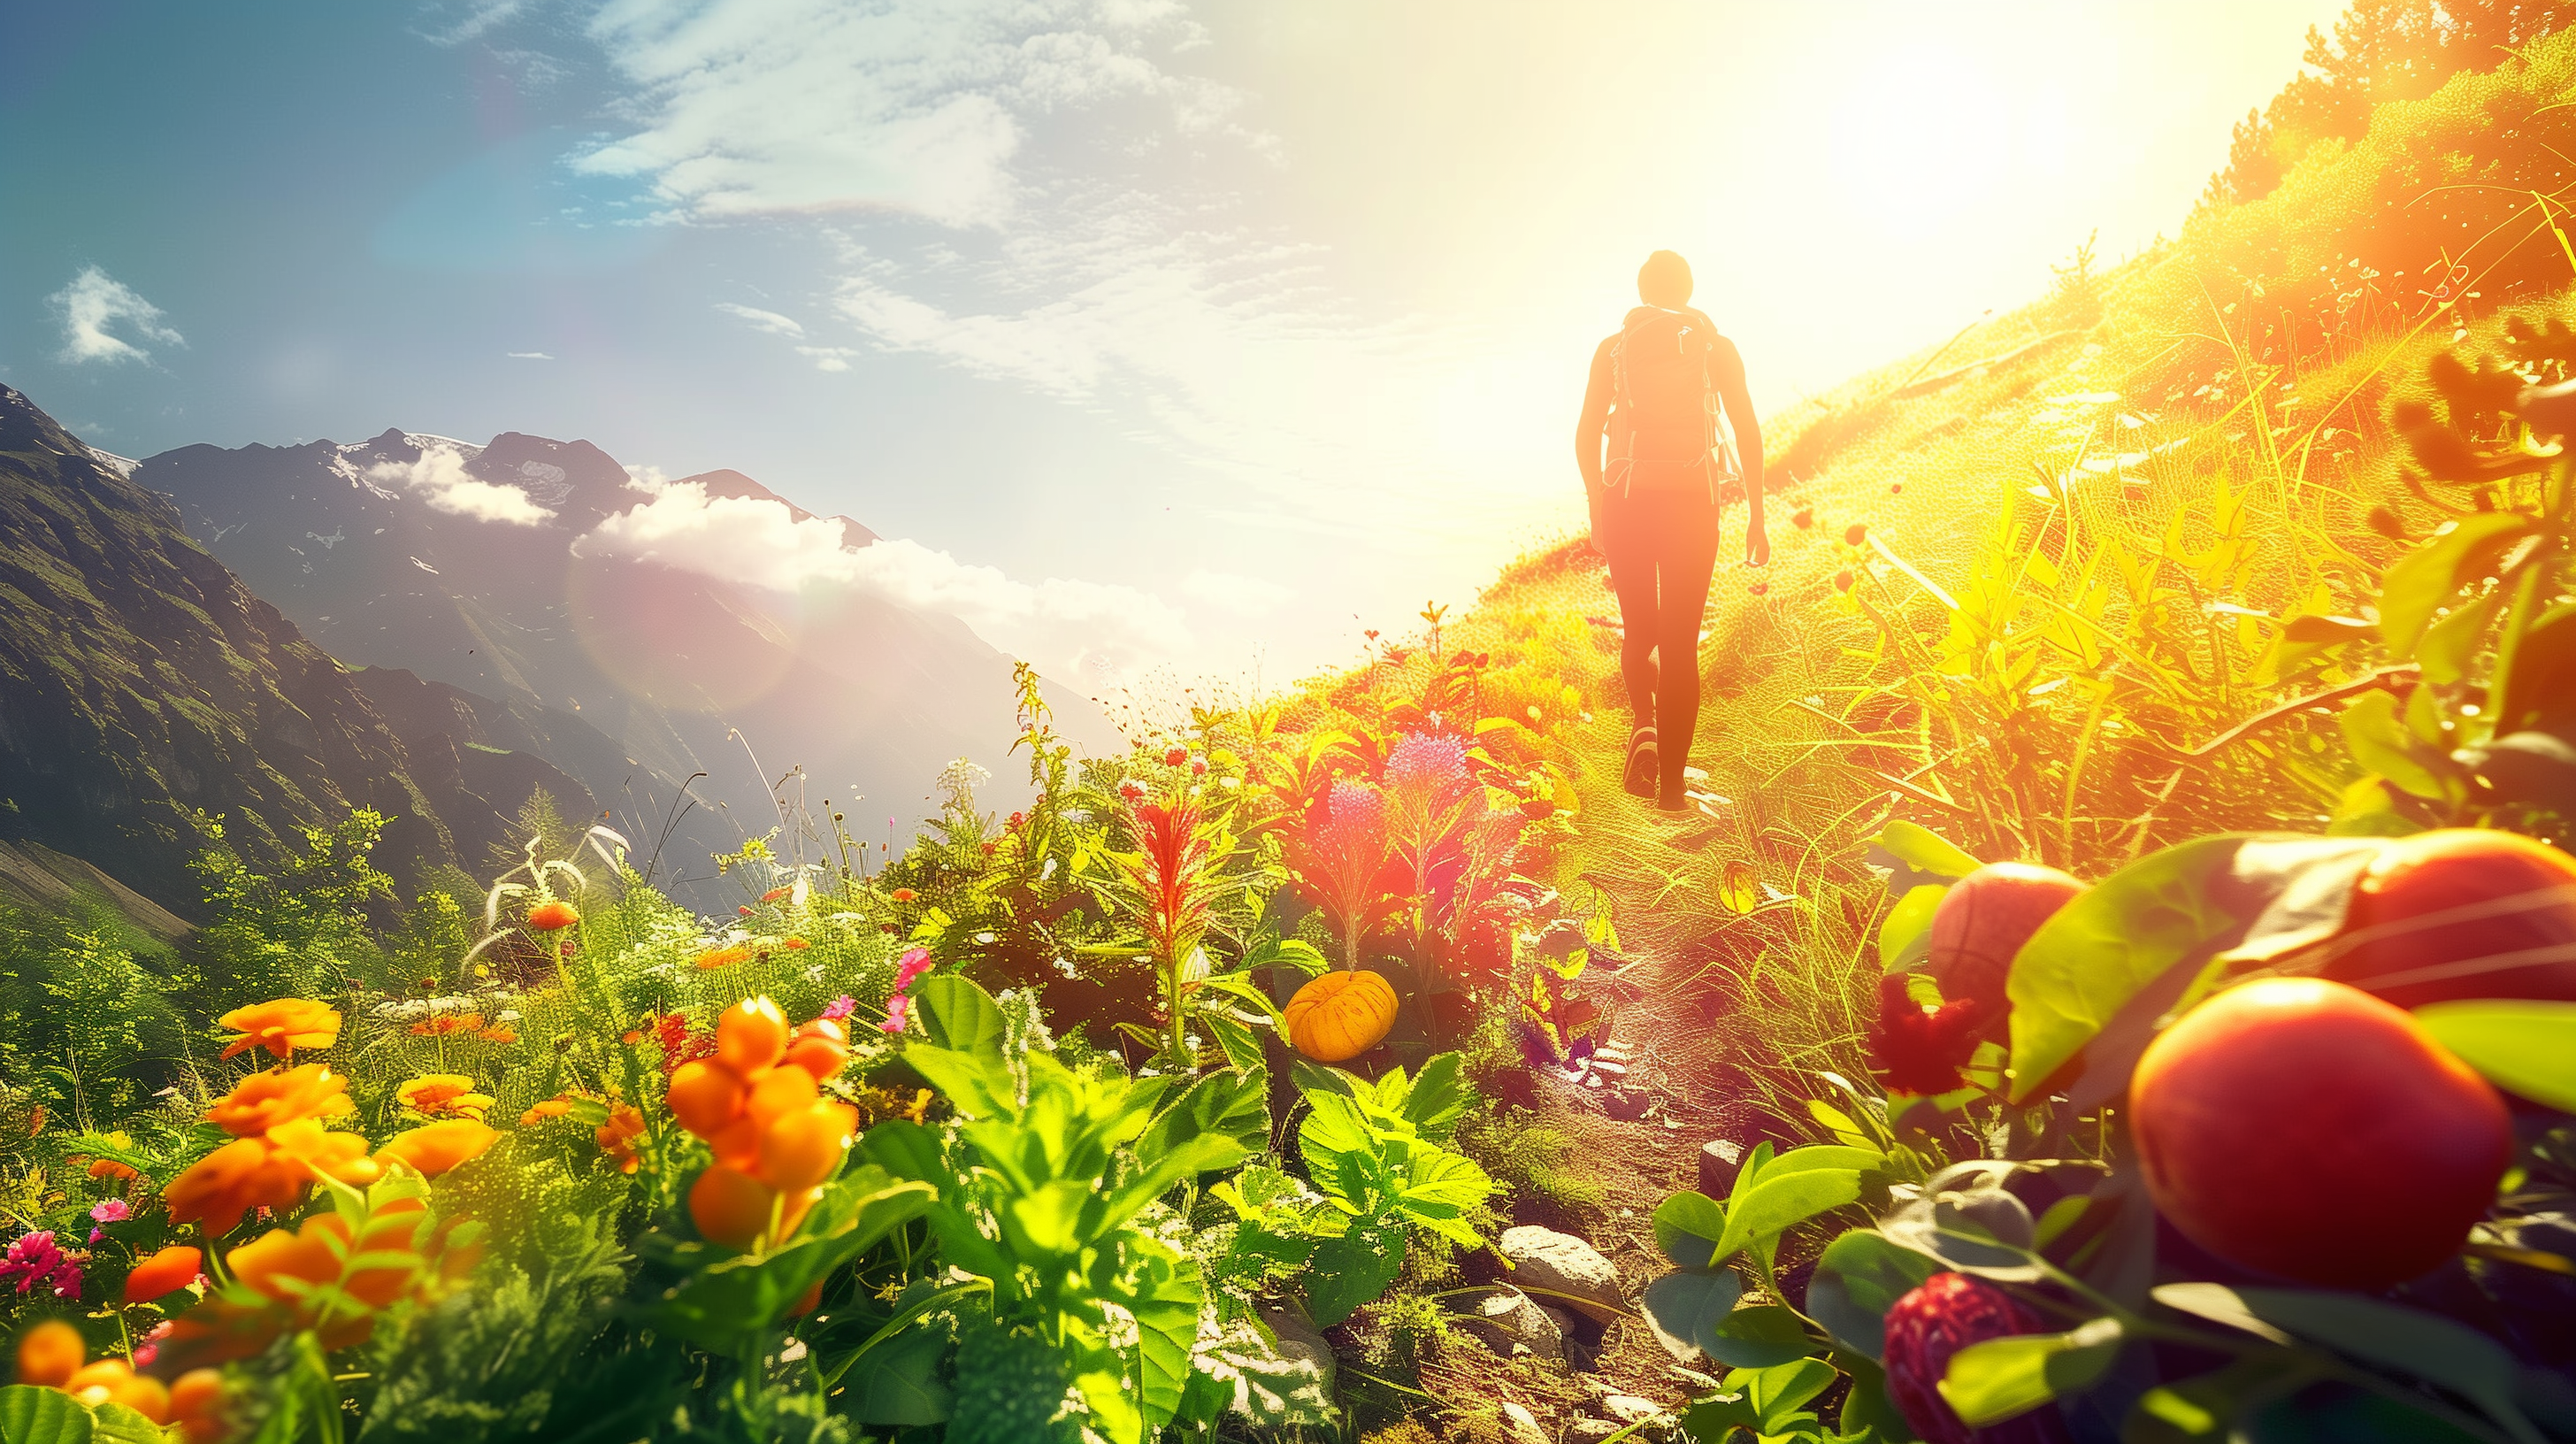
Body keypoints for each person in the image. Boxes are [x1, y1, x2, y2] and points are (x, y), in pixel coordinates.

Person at [1576, 250, 1767, 813]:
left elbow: (1587, 433)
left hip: (1627, 503)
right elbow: (1747, 428)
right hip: (1691, 505)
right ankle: (1672, 793)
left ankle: (1643, 724)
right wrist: (1757, 512)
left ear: (1641, 292)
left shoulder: (1613, 350)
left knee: (1639, 631)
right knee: (1681, 645)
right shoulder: (1716, 346)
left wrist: (1597, 505)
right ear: (1688, 288)